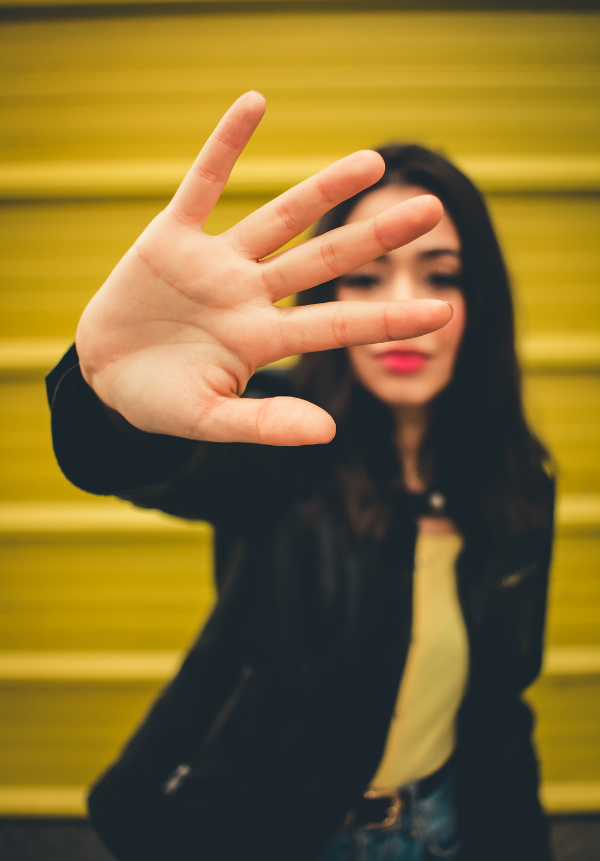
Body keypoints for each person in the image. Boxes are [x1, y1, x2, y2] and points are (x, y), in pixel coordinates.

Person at [46, 92, 555, 861]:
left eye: (439, 274)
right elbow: (136, 463)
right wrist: (110, 397)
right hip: (281, 833)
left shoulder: (519, 478)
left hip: (445, 825)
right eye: (368, 277)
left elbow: (502, 704)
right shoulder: (282, 432)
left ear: (478, 300)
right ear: (331, 297)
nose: (404, 306)